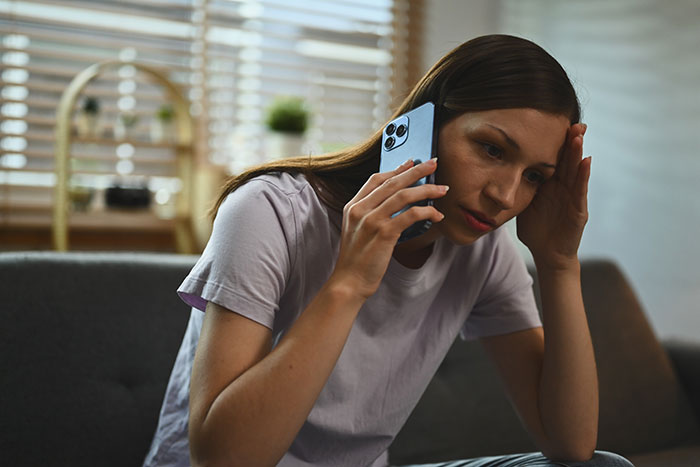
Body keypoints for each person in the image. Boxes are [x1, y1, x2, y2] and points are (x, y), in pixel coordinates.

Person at [144, 35, 634, 467]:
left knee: (603, 466)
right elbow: (222, 459)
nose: (506, 196)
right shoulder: (269, 210)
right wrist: (349, 283)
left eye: (534, 177)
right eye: (492, 150)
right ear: (422, 127)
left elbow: (570, 443)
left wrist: (559, 263)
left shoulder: (482, 251)